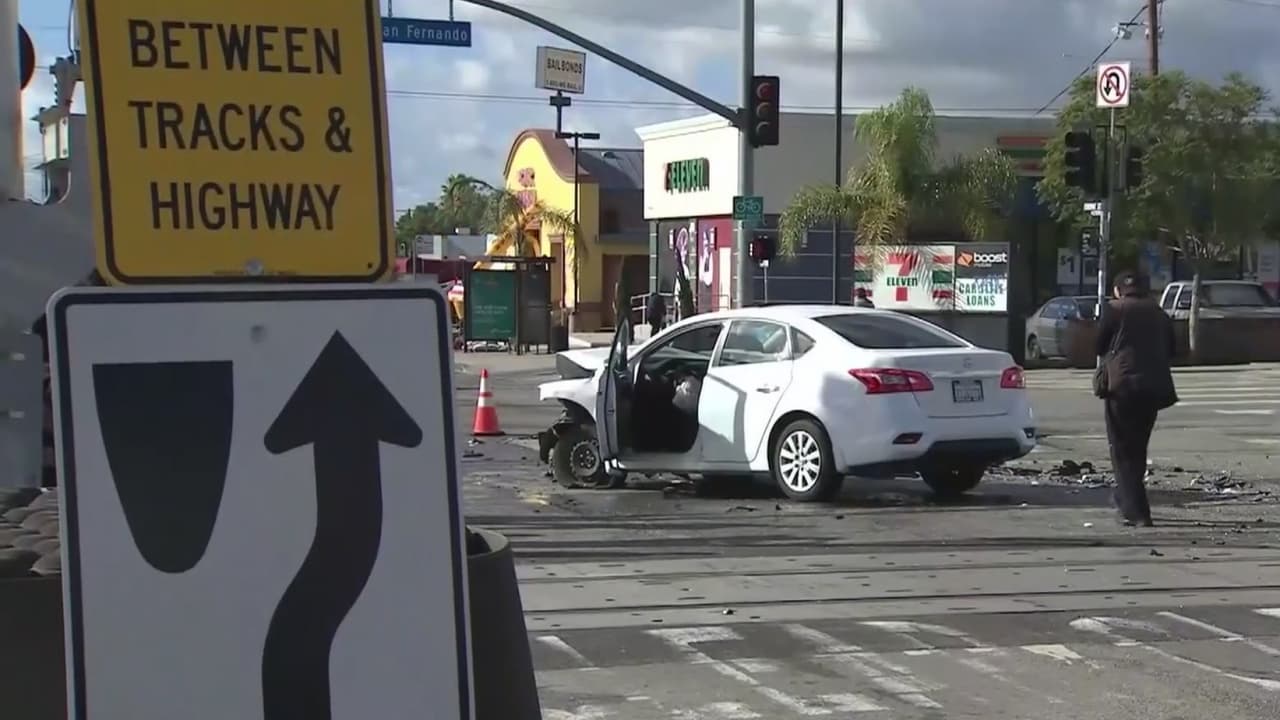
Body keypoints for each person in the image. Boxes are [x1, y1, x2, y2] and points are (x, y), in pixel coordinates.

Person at [1094, 270, 1178, 527]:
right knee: (1138, 448)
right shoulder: (1159, 313)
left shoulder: (1114, 309)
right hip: (1153, 387)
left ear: (1118, 290)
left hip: (1122, 387)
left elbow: (1098, 345)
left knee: (1122, 449)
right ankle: (1124, 498)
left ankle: (1136, 511)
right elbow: (1174, 349)